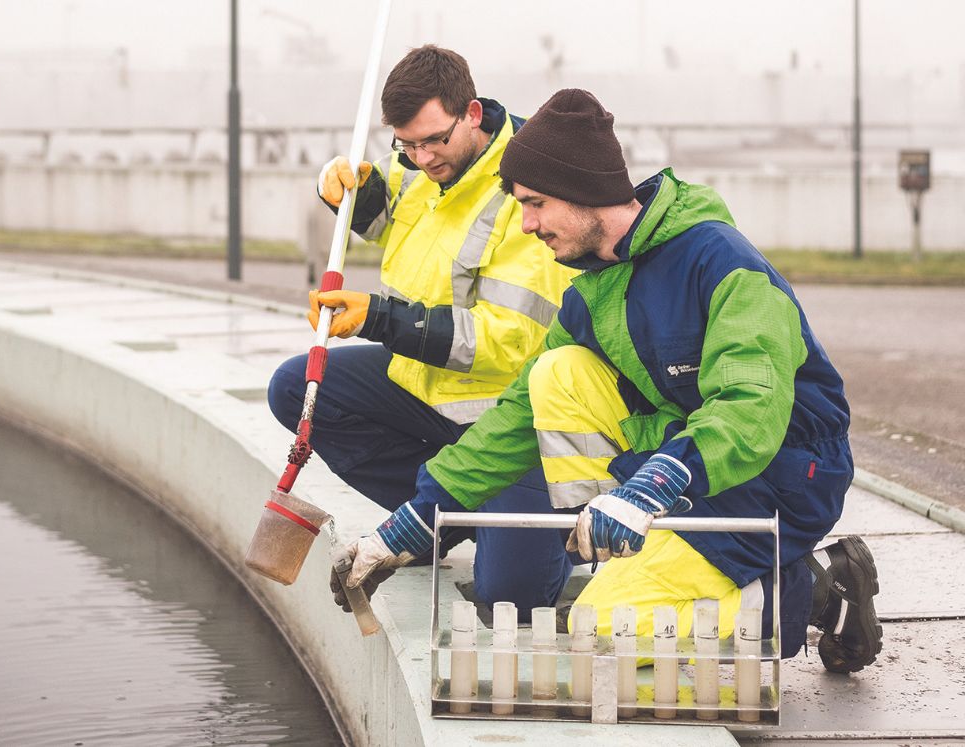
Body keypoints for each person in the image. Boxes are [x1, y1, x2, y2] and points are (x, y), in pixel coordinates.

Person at [340, 88, 882, 674]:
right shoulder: (595, 289)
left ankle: (814, 593)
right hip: (686, 465)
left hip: (779, 474)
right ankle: (621, 555)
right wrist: (407, 527)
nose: (527, 225)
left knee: (599, 629)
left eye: (536, 203)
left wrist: (654, 487)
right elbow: (517, 417)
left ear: (583, 192)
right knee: (556, 373)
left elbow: (749, 406)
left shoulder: (721, 263)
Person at [267, 46, 577, 616]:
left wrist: (380, 318)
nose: (422, 156)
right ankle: (441, 520)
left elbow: (507, 341)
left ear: (473, 113)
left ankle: (555, 535)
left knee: (510, 599)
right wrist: (349, 192)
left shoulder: (528, 190)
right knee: (295, 387)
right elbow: (395, 220)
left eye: (434, 139)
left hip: (510, 418)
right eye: (406, 143)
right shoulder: (419, 168)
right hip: (427, 390)